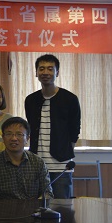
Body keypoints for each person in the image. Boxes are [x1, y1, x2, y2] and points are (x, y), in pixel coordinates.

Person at [25, 54, 81, 199]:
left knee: (62, 207)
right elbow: (30, 127)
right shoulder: (30, 100)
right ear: (36, 72)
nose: (45, 72)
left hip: (61, 166)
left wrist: (64, 151)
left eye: (50, 69)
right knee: (37, 206)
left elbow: (74, 130)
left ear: (57, 72)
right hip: (37, 164)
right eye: (41, 68)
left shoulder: (70, 99)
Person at [0, 117, 52, 200]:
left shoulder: (38, 163)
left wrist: (36, 205)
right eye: (9, 134)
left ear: (27, 138)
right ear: (3, 137)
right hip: (3, 208)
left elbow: (47, 193)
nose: (14, 138)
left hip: (34, 207)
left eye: (19, 134)